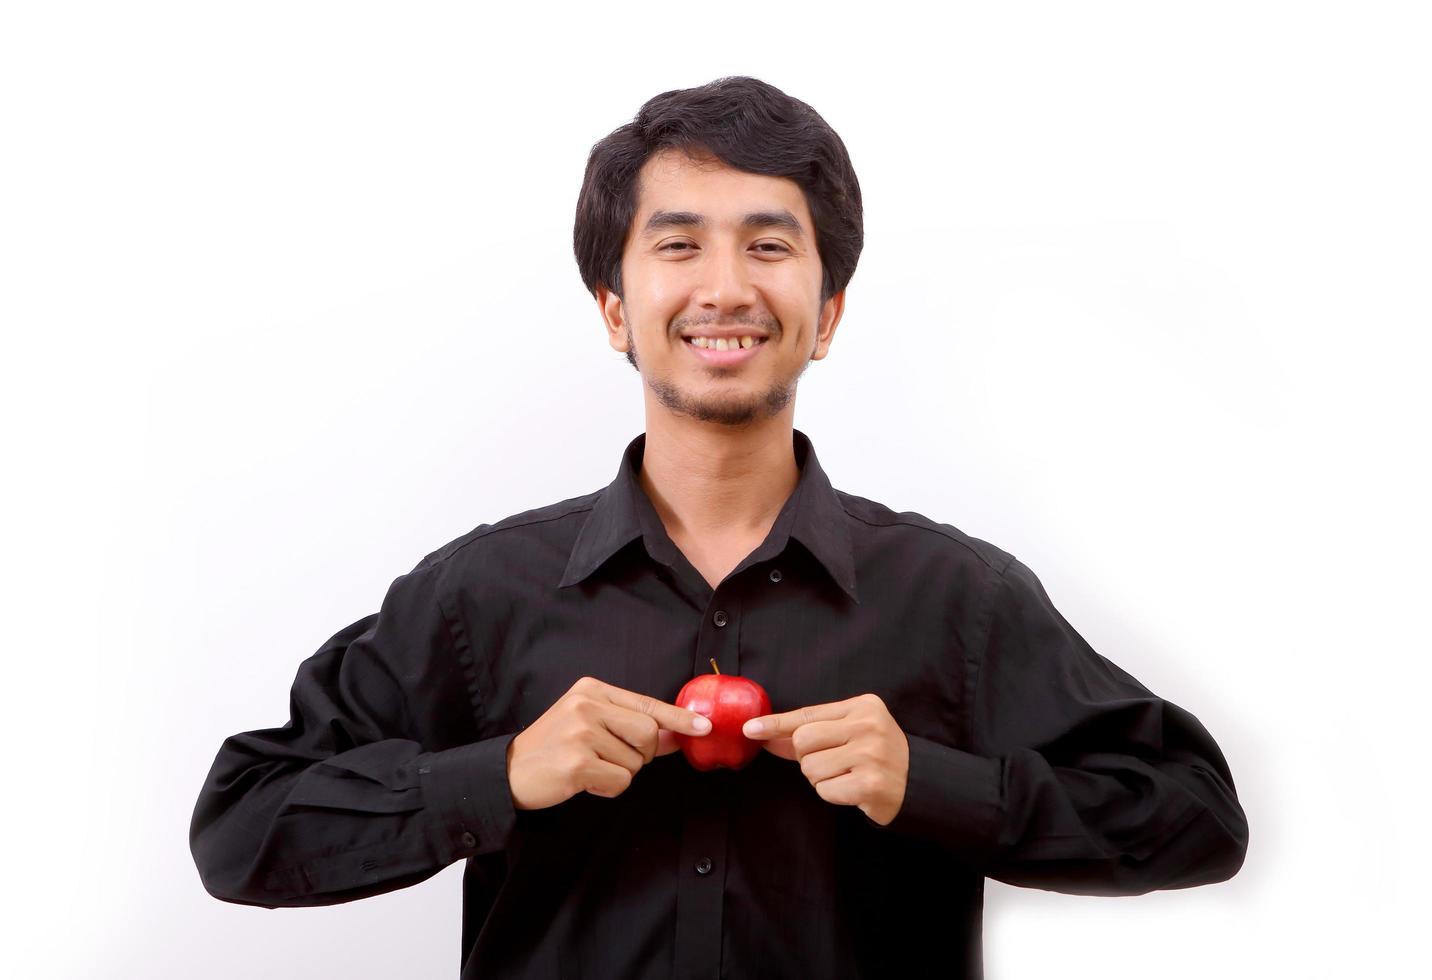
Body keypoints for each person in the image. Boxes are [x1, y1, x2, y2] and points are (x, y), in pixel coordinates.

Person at [190, 76, 1248, 979]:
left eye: (769, 244)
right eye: (680, 243)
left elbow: (1195, 813)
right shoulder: (480, 594)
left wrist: (932, 782)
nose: (725, 286)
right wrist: (500, 772)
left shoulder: (954, 596)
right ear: (615, 307)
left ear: (826, 311)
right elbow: (242, 826)